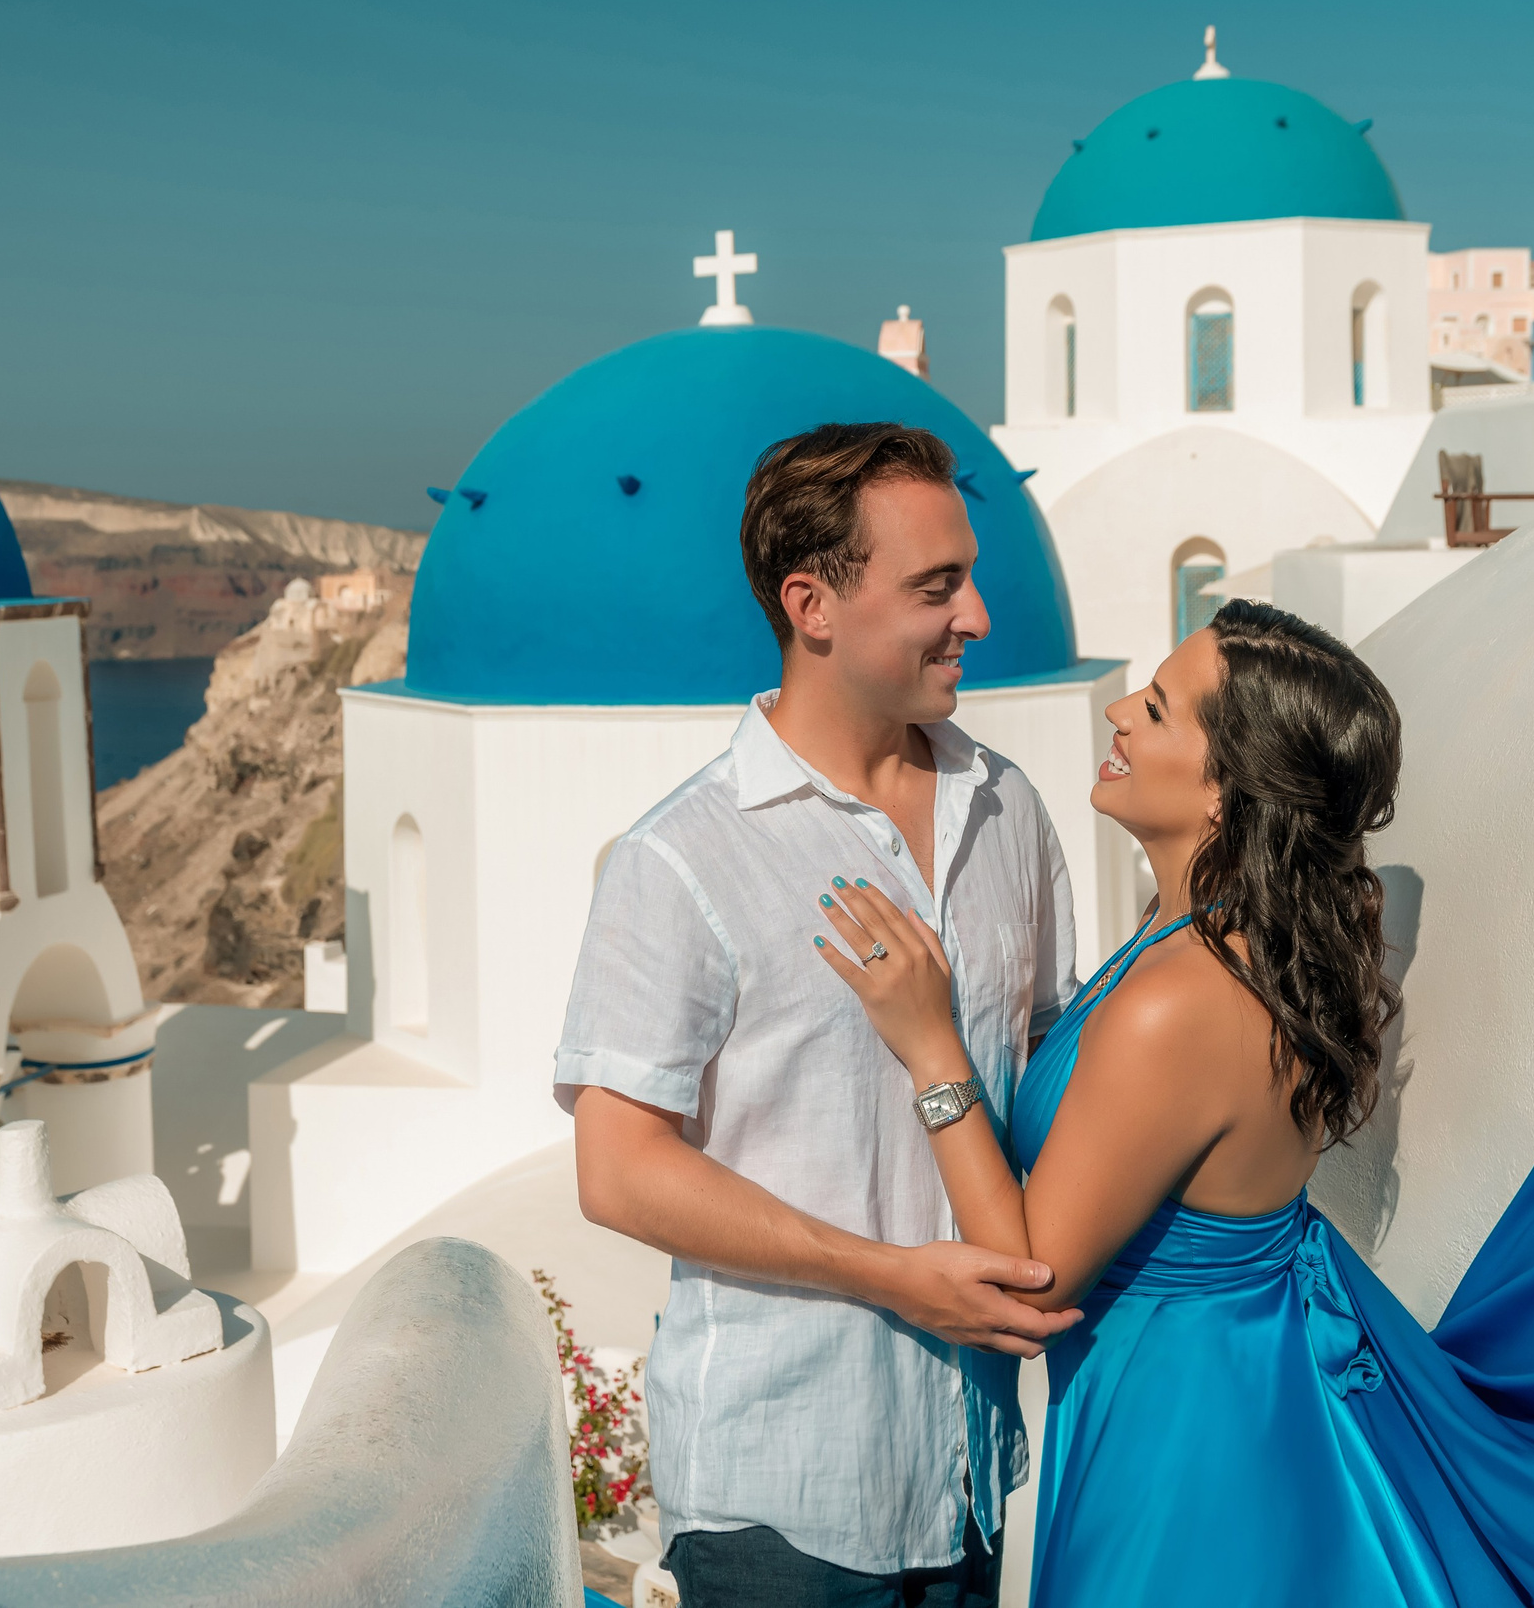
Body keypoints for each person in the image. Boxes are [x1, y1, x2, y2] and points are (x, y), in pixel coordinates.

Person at [816, 599, 1442, 1606]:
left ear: (1228, 787)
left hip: (1183, 1447)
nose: (1114, 710)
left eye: (1154, 708)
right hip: (1231, 1392)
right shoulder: (1199, 939)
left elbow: (1028, 1283)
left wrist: (930, 1043)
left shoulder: (1181, 997)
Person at [556, 422, 1081, 1607]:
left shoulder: (1009, 810)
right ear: (814, 604)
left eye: (970, 576)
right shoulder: (680, 856)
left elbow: (1044, 1074)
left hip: (966, 1475)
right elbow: (618, 1168)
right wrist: (893, 1273)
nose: (980, 615)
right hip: (778, 1506)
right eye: (936, 586)